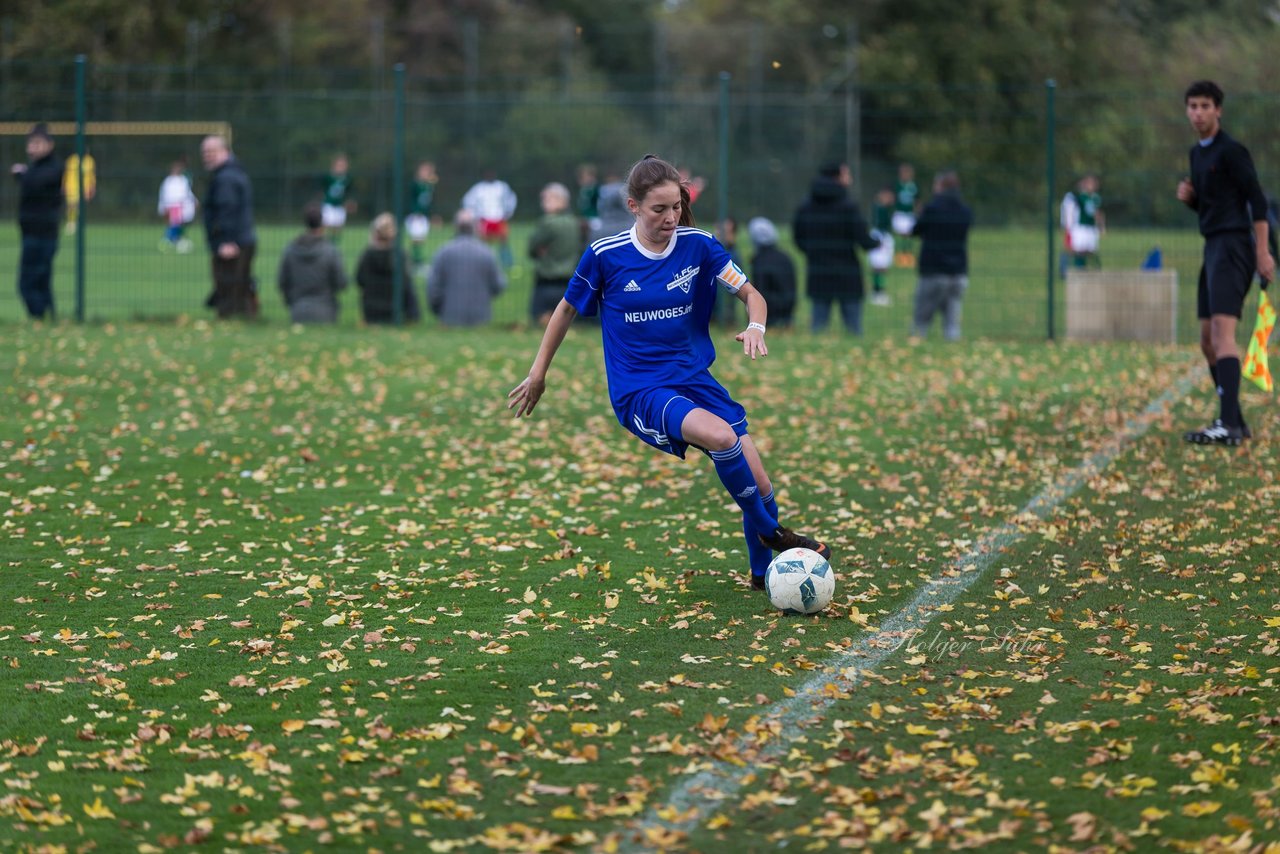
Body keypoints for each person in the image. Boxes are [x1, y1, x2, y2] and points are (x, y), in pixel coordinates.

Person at [507, 154, 832, 592]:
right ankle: (773, 533)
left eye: (676, 206)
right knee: (722, 438)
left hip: (695, 379)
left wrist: (756, 325)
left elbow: (752, 294)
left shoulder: (699, 244)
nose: (670, 217)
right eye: (659, 209)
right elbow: (565, 309)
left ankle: (761, 576)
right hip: (641, 389)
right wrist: (538, 373)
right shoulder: (606, 255)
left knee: (760, 481)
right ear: (633, 206)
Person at [1177, 80, 1274, 446]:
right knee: (1206, 340)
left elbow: (1257, 201)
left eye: (1205, 106)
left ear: (1218, 110)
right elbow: (1212, 206)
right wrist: (1191, 200)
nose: (1198, 113)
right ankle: (1234, 419)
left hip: (1234, 247)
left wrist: (1262, 252)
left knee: (1223, 334)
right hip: (1212, 247)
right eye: (1192, 106)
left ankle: (1228, 424)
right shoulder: (1196, 154)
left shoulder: (1232, 151)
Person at [792, 161, 880, 335]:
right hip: (847, 270)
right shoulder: (848, 206)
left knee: (818, 323)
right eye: (847, 174)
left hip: (818, 269)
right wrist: (876, 242)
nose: (850, 179)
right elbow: (862, 238)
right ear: (837, 177)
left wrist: (813, 252)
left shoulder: (806, 206)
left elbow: (798, 237)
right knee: (854, 326)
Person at [910, 170, 974, 341]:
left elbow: (916, 230)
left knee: (921, 321)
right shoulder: (965, 211)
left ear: (940, 186)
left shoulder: (931, 210)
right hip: (958, 272)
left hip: (933, 270)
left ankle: (916, 347)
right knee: (952, 323)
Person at [201, 134, 258, 318]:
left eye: (212, 152)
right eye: (205, 152)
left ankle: (232, 319)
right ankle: (245, 318)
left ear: (225, 151)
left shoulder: (226, 178)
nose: (207, 156)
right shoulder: (233, 173)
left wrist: (226, 240)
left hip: (232, 242)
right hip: (242, 238)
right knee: (240, 285)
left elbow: (228, 209)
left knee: (228, 287)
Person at [11, 123, 64, 320]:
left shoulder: (53, 168)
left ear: (49, 145)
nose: (31, 148)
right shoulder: (34, 169)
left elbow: (36, 182)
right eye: (30, 144)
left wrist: (22, 174)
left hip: (44, 233)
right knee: (38, 278)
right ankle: (47, 316)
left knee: (31, 280)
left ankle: (39, 315)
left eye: (37, 143)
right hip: (29, 232)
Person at [427, 209, 507, 327]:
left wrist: (438, 310)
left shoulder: (443, 252)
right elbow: (499, 285)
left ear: (455, 226)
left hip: (450, 317)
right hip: (481, 318)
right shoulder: (487, 253)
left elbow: (433, 289)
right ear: (475, 227)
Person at [277, 203, 347, 324]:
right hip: (327, 310)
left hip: (297, 311)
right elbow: (342, 283)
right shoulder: (331, 251)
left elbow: (282, 282)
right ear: (322, 223)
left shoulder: (290, 250)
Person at [528, 182, 580, 327]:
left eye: (547, 199)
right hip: (569, 280)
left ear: (561, 200)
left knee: (543, 322)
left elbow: (532, 248)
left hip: (546, 280)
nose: (543, 203)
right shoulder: (574, 222)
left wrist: (540, 250)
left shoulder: (547, 222)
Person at [356, 213, 419, 325]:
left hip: (371, 311)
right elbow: (407, 285)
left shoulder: (367, 255)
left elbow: (360, 280)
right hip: (395, 311)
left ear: (375, 233)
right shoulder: (400, 255)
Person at [747, 216, 796, 329]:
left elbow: (759, 291)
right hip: (787, 310)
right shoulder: (785, 257)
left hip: (768, 313)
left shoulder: (759, 261)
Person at [461, 170, 517, 269]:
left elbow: (511, 198)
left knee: (503, 240)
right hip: (485, 219)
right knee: (483, 242)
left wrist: (508, 212)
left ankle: (507, 263)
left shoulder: (502, 187)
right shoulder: (478, 188)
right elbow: (467, 201)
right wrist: (475, 215)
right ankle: (482, 261)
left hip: (499, 218)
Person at [1061, 174, 1105, 271]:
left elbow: (1098, 213)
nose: (1092, 186)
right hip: (1081, 227)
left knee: (1090, 250)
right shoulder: (1080, 198)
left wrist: (1101, 226)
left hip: (1091, 227)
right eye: (1089, 183)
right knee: (1079, 250)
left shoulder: (1096, 198)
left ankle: (1092, 269)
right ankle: (1077, 268)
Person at [157, 157, 198, 253]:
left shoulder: (183, 180)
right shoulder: (169, 181)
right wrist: (165, 206)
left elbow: (187, 192)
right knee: (175, 223)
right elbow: (165, 194)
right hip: (174, 206)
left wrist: (194, 200)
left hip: (183, 206)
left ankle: (176, 240)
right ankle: (166, 240)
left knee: (180, 224)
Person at [405, 160, 438, 270]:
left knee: (421, 239)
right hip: (415, 215)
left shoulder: (428, 185)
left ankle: (417, 261)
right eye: (424, 171)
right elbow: (411, 199)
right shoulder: (415, 184)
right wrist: (415, 212)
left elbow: (428, 202)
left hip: (424, 216)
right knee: (416, 238)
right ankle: (415, 262)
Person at [868, 187, 895, 306]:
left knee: (881, 267)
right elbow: (879, 225)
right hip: (880, 237)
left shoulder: (884, 209)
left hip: (883, 237)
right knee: (879, 266)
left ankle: (877, 292)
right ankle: (878, 293)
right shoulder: (879, 208)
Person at [891, 162, 920, 267]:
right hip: (900, 213)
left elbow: (917, 200)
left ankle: (908, 257)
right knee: (900, 234)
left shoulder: (913, 186)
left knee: (909, 235)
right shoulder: (897, 185)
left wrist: (917, 211)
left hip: (909, 214)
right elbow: (893, 199)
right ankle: (900, 257)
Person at [62, 148, 95, 235]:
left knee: (80, 206)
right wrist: (64, 185)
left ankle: (78, 223)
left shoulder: (90, 161)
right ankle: (71, 223)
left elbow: (92, 175)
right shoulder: (71, 160)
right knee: (71, 206)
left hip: (84, 187)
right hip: (71, 186)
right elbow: (66, 173)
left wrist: (92, 187)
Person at [320, 153, 354, 240]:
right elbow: (323, 188)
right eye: (339, 165)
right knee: (325, 225)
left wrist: (349, 202)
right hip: (329, 204)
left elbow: (347, 193)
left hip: (340, 206)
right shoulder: (329, 177)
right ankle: (322, 243)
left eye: (343, 165)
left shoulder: (347, 178)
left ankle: (334, 245)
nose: (341, 167)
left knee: (338, 227)